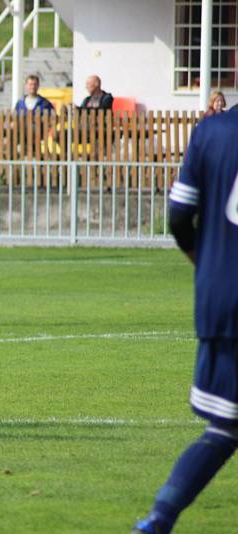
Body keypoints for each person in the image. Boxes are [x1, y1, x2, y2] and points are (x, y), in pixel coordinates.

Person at [133, 109, 238, 533]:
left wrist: (201, 258)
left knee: (225, 427)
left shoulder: (211, 131)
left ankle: (157, 521)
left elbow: (179, 213)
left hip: (218, 297)